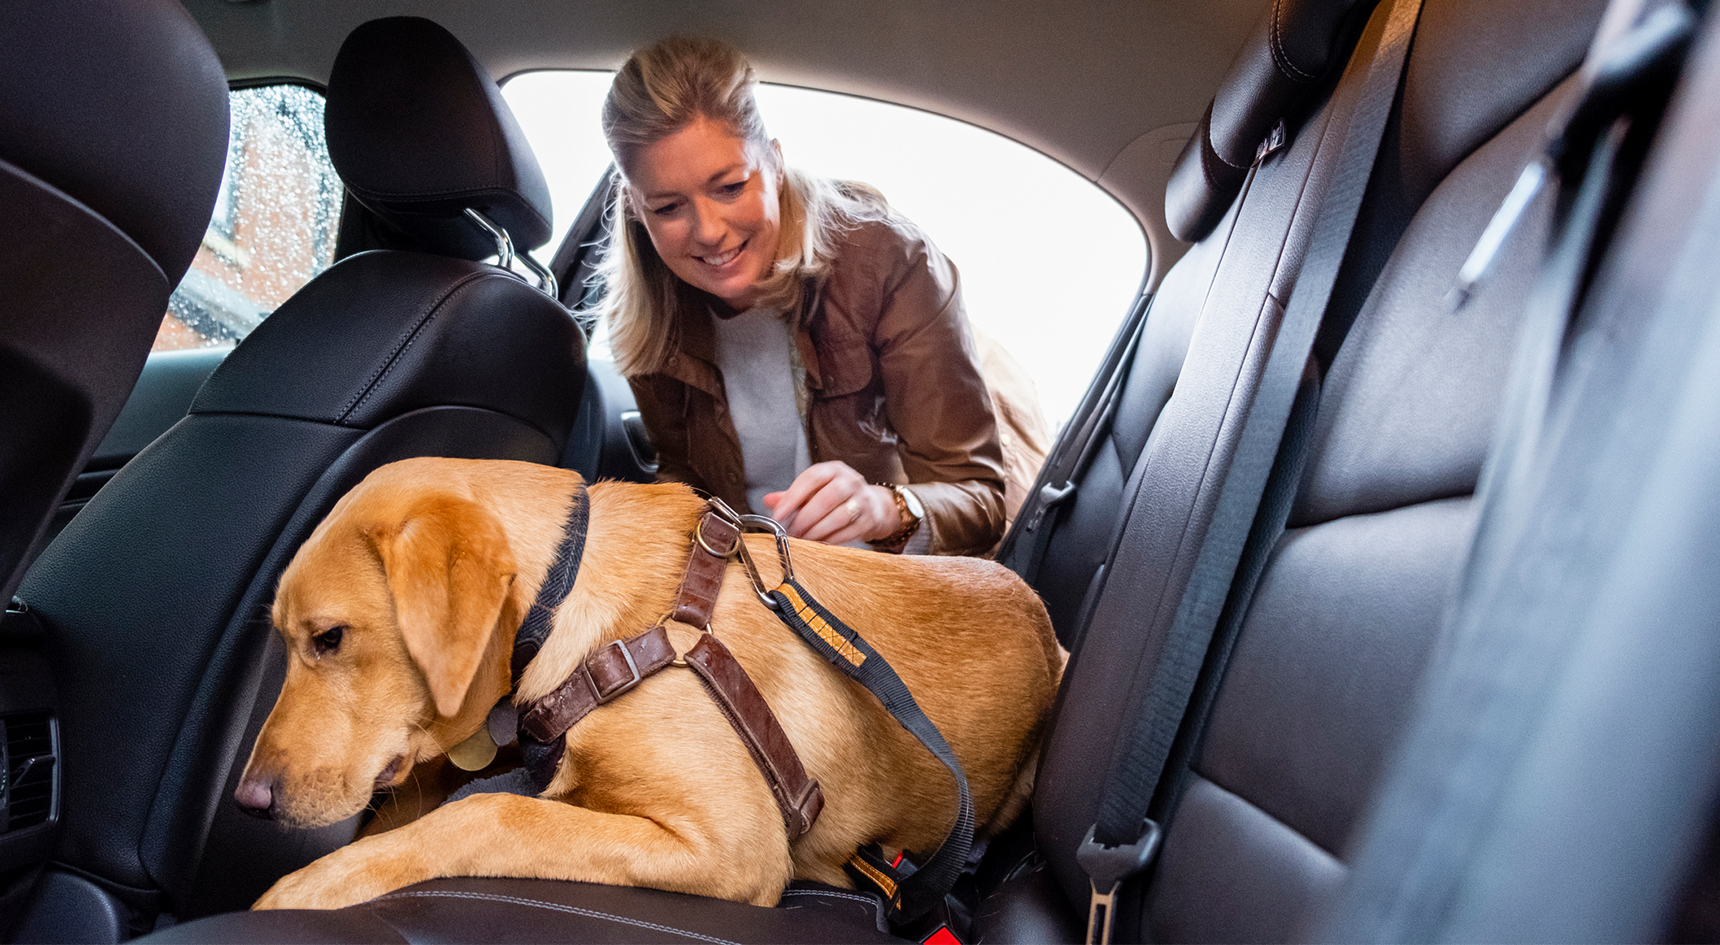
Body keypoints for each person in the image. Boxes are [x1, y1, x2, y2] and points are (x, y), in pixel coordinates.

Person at [592, 36, 1048, 556]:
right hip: (754, 590)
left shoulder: (886, 260)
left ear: (776, 163)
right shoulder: (651, 318)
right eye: (669, 207)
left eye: (731, 186)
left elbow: (978, 500)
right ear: (635, 206)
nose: (709, 231)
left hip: (885, 579)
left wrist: (883, 509)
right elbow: (684, 481)